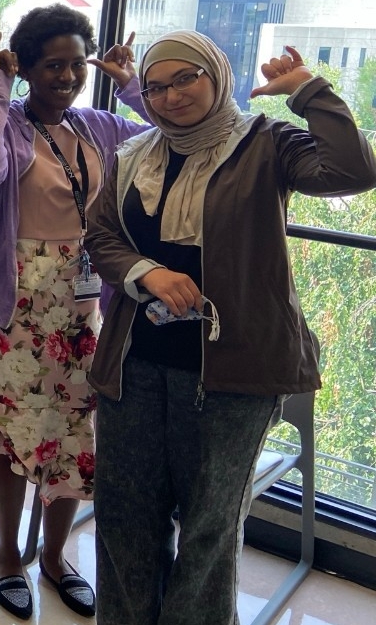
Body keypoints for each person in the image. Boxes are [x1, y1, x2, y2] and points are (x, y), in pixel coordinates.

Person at [85, 32, 376, 625]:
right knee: (125, 517)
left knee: (209, 529)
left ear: (215, 74)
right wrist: (147, 273)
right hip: (135, 362)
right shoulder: (135, 153)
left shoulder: (266, 143)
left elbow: (353, 170)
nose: (170, 97)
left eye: (185, 78)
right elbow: (102, 235)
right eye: (156, 86)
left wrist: (309, 92)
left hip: (234, 371)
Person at [0, 5, 150, 620]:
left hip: (87, 306)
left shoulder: (100, 126)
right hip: (17, 303)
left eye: (74, 65)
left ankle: (56, 556)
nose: (65, 77)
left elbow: (172, 136)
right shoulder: (9, 122)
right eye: (51, 66)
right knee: (13, 433)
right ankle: (8, 554)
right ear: (30, 67)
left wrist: (131, 84)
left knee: (75, 436)